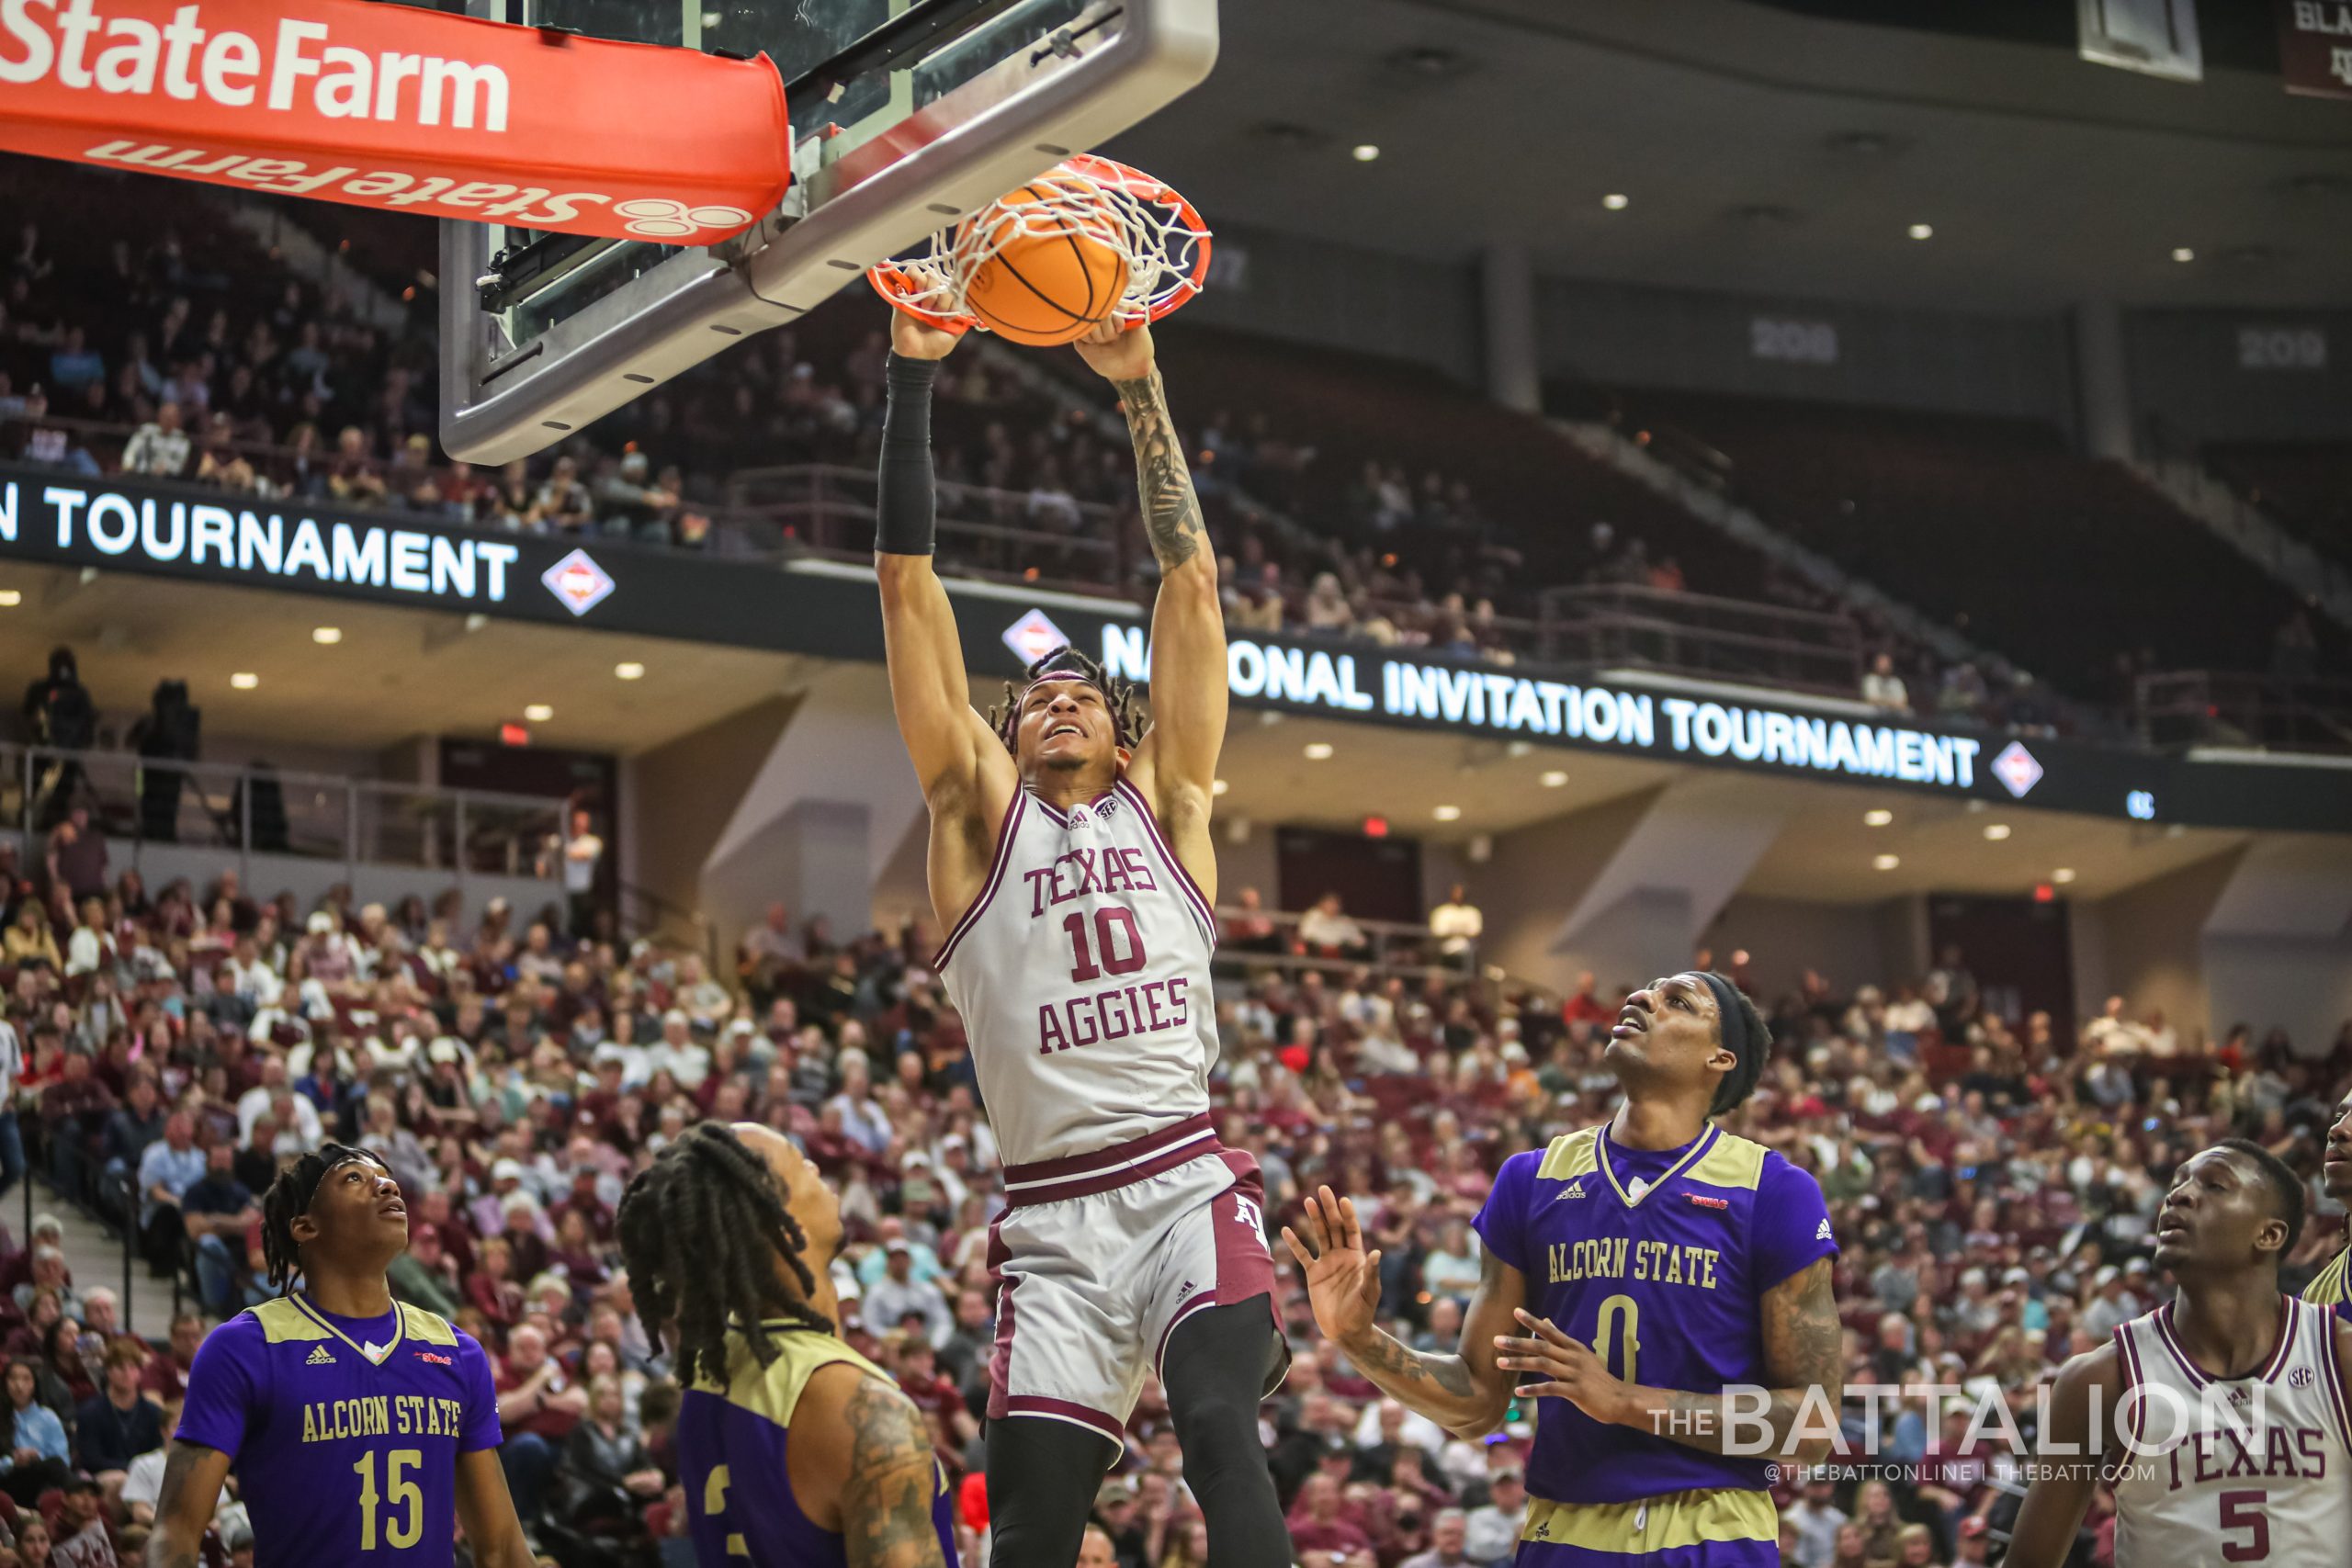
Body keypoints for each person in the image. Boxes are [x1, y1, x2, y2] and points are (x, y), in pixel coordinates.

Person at [876, 307, 1289, 1568]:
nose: (1056, 698)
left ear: (1125, 733)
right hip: (1051, 1222)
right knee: (1035, 1534)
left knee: (1219, 1421)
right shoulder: (972, 814)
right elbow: (907, 584)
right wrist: (913, 374)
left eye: (1083, 695)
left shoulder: (1170, 803)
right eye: (1032, 697)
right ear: (1008, 736)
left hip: (1181, 1184)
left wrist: (1140, 384)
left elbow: (1193, 583)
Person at [1284, 972, 1843, 1568]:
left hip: (1715, 1528)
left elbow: (1811, 1426)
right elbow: (1478, 1400)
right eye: (1646, 990)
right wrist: (1357, 1337)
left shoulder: (1774, 1190)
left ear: (1719, 1057)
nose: (1641, 998)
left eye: (1676, 1000)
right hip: (1565, 1529)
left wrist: (1625, 1400)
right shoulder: (1532, 1179)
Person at [147, 1143, 535, 1568]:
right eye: (354, 1178)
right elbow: (177, 1531)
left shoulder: (456, 1351)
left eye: (387, 1177)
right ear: (305, 1227)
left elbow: (502, 1547)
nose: (386, 1186)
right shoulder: (245, 1347)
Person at [614, 1121, 954, 1566]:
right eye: (799, 1162)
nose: (815, 1166)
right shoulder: (861, 1410)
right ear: (781, 1216)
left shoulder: (708, 1373)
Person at [2007, 1139, 2352, 1568]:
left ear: (2269, 1234)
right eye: (2178, 1183)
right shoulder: (2100, 1380)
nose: (2180, 1194)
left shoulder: (2338, 1355)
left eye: (2216, 1186)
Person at [1428, 885, 1482, 969]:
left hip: (1468, 952)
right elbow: (1438, 931)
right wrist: (1463, 931)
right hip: (1446, 952)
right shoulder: (1441, 912)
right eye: (1456, 892)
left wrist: (1452, 931)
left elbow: (1475, 931)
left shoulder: (1472, 912)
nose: (1458, 895)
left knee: (1475, 973)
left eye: (1460, 893)